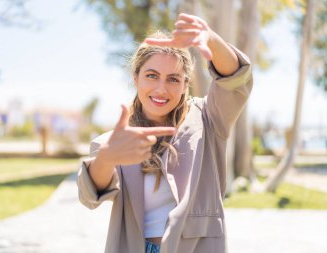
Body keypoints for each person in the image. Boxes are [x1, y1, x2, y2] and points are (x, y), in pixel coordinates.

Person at [77, 13, 253, 253]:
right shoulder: (115, 140)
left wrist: (210, 38)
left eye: (173, 79)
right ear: (135, 77)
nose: (161, 89)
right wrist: (107, 158)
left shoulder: (209, 118)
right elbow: (90, 196)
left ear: (185, 85)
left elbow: (235, 80)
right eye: (151, 76)